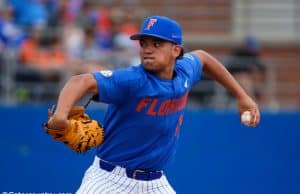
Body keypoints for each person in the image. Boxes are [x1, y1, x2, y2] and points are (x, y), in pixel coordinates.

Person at [47, 16, 260, 193]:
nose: (148, 49)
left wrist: (242, 96)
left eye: (157, 44)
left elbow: (203, 58)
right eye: (144, 43)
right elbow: (80, 81)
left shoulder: (185, 71)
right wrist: (60, 116)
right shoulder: (132, 80)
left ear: (176, 50)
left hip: (155, 184)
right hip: (108, 180)